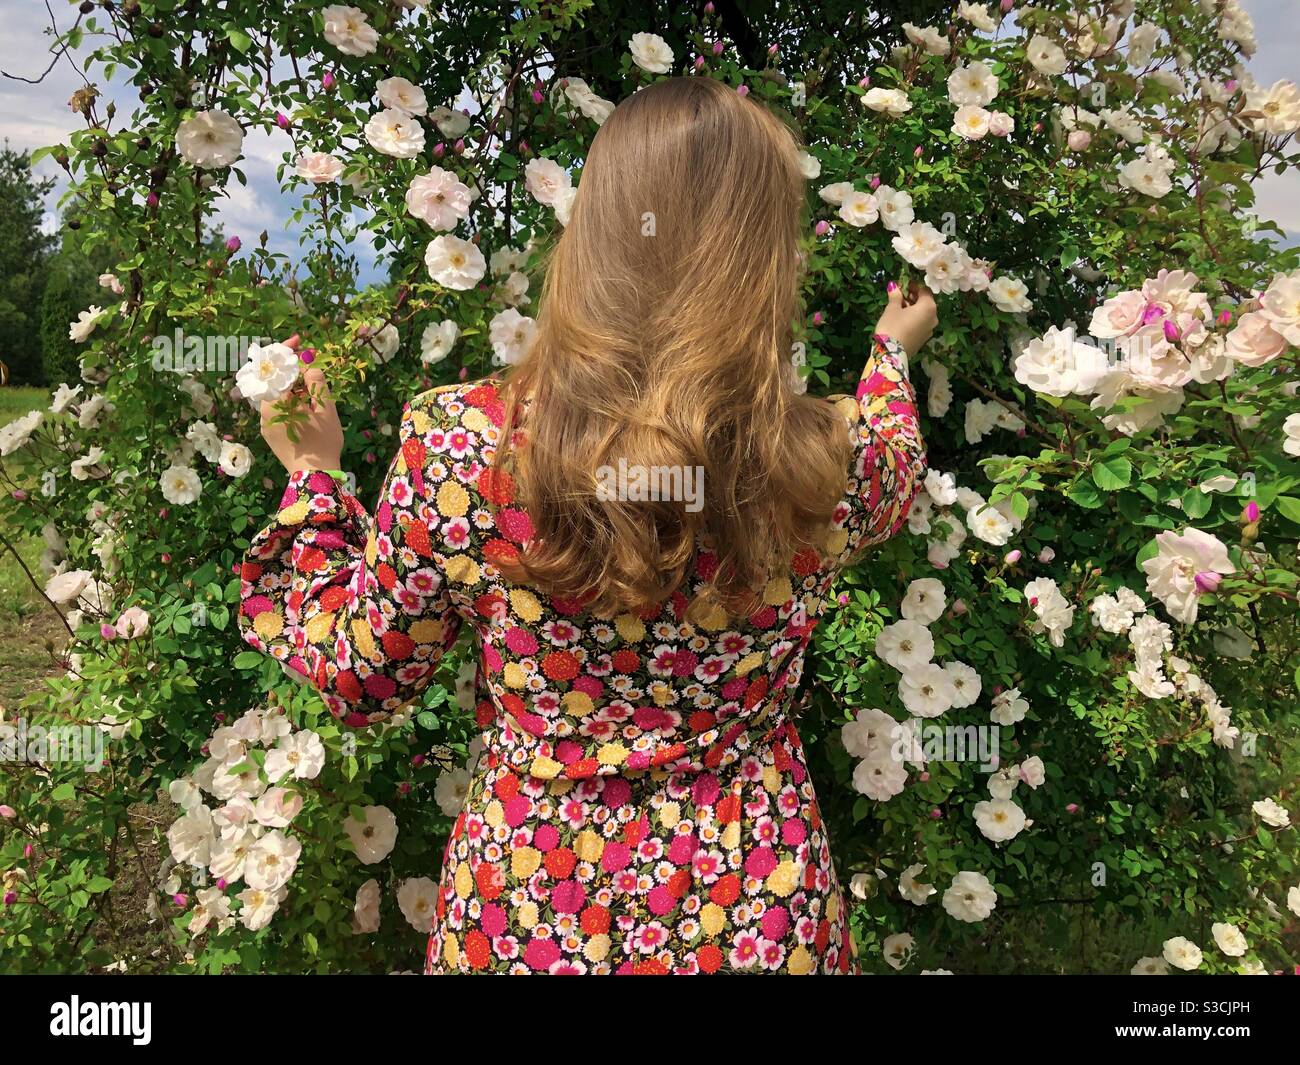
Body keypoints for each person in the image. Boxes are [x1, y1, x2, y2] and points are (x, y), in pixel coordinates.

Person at [239, 76, 935, 974]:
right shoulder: (823, 460)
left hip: (530, 905)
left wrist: (313, 478)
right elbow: (896, 446)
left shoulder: (466, 449)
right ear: (762, 259)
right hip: (759, 903)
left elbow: (360, 675)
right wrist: (891, 351)